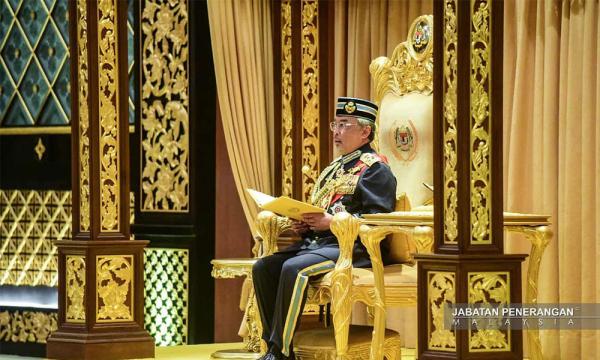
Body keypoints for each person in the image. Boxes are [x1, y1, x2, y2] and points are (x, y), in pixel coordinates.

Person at [252, 97, 397, 360]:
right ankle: (273, 343)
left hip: (353, 248)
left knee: (293, 269)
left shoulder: (376, 169)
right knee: (263, 267)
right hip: (318, 244)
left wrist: (331, 222)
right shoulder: (333, 169)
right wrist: (304, 224)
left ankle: (279, 353)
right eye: (336, 124)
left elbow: (378, 221)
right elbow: (321, 208)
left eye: (345, 125)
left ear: (365, 131)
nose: (337, 132)